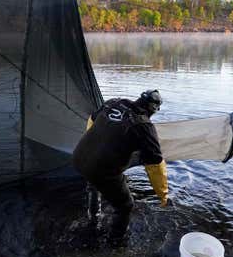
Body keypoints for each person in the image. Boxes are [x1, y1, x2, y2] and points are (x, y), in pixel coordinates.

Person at [72, 89, 169, 240]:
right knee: (125, 206)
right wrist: (162, 195)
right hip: (101, 170)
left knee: (94, 184)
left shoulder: (114, 103)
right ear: (153, 109)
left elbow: (91, 120)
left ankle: (93, 218)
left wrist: (95, 149)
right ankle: (116, 243)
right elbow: (156, 165)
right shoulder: (144, 126)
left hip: (79, 157)